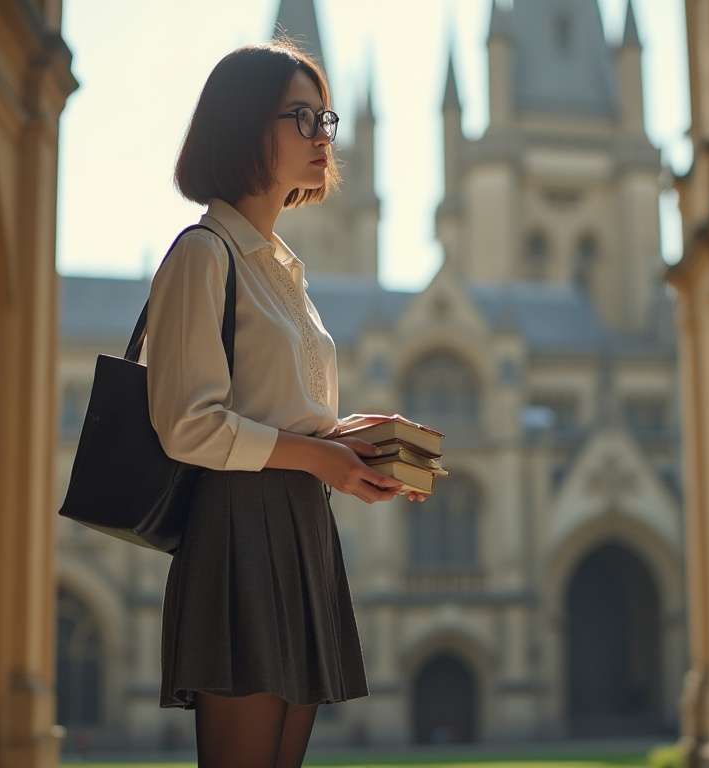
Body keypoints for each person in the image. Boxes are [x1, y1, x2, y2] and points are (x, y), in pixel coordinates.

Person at [143, 40, 421, 768]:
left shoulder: (284, 272)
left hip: (300, 529)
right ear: (243, 126)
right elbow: (186, 424)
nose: (324, 136)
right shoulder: (204, 253)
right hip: (239, 531)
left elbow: (281, 414)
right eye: (302, 116)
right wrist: (319, 457)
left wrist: (360, 441)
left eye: (325, 118)